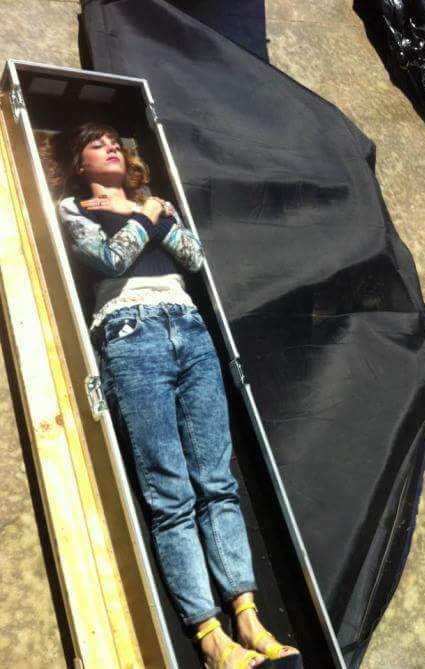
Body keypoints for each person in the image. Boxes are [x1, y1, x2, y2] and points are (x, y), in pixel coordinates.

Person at [40, 121, 302, 669]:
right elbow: (108, 260)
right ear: (81, 163)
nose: (111, 148)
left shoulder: (156, 201)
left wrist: (145, 212)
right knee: (170, 492)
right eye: (96, 145)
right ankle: (209, 637)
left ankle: (248, 617)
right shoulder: (75, 209)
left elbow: (194, 256)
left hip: (189, 327)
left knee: (217, 481)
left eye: (114, 142)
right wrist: (143, 218)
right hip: (130, 334)